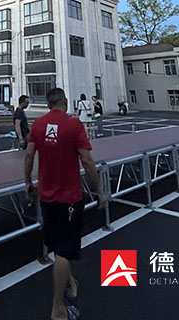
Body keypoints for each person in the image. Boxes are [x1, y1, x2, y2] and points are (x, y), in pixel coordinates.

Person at [25, 88, 107, 320]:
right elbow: (87, 159)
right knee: (64, 250)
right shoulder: (73, 125)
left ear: (48, 103)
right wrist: (99, 189)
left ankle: (70, 283)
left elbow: (29, 155)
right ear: (65, 102)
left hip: (47, 197)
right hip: (69, 198)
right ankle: (58, 308)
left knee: (58, 244)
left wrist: (27, 181)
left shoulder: (38, 124)